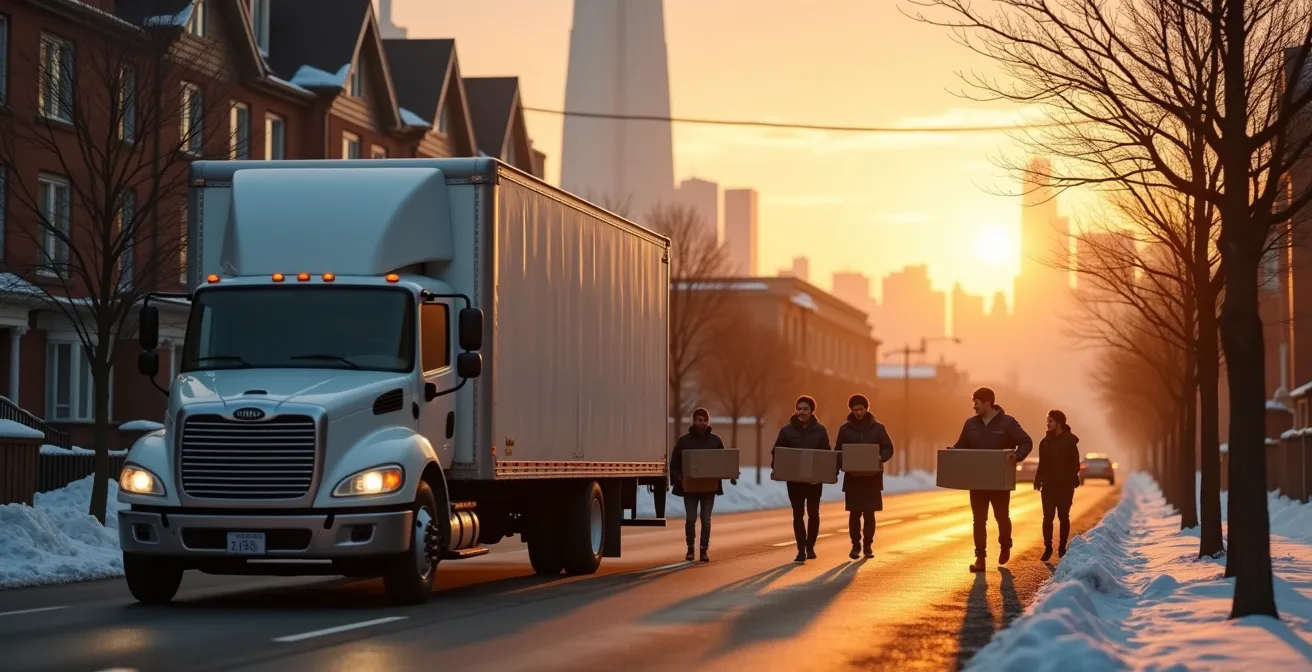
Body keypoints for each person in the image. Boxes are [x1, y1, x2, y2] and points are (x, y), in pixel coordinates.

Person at [950, 387, 1034, 573]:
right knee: (978, 520)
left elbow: (1027, 442)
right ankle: (980, 558)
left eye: (976, 403)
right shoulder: (970, 424)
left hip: (999, 481)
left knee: (1001, 516)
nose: (974, 407)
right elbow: (961, 446)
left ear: (988, 403)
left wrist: (1017, 456)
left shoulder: (1008, 423)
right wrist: (952, 453)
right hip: (977, 481)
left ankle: (1005, 543)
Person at [771, 395, 833, 563]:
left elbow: (826, 454)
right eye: (799, 408)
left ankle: (810, 546)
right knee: (798, 514)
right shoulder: (787, 431)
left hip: (814, 482)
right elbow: (777, 452)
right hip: (794, 482)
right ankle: (800, 550)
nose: (801, 412)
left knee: (813, 513)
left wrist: (823, 474)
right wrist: (776, 469)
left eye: (805, 409)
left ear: (812, 411)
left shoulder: (820, 431)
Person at [669, 408, 735, 562]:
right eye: (699, 420)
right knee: (691, 518)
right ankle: (690, 549)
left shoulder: (715, 440)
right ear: (693, 421)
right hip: (689, 488)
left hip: (708, 488)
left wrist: (729, 473)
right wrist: (678, 476)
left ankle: (704, 550)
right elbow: (675, 461)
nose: (702, 423)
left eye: (705, 420)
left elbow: (723, 461)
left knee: (706, 519)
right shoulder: (684, 441)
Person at [834, 394, 895, 560]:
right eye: (855, 410)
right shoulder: (845, 430)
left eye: (860, 409)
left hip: (872, 479)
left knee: (869, 513)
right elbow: (838, 452)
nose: (858, 413)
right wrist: (838, 467)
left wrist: (880, 457)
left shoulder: (878, 429)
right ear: (851, 410)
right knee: (854, 514)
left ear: (866, 409)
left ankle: (868, 545)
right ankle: (855, 545)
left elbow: (888, 448)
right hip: (853, 479)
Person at [1035, 409, 1081, 561]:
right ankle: (1048, 547)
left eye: (1051, 421)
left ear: (1059, 423)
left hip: (1064, 486)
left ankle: (1062, 548)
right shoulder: (1044, 442)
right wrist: (1038, 478)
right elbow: (1042, 463)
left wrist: (1070, 475)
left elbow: (1076, 463)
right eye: (1047, 421)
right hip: (1048, 485)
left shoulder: (1069, 441)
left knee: (1063, 516)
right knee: (1047, 517)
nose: (1048, 424)